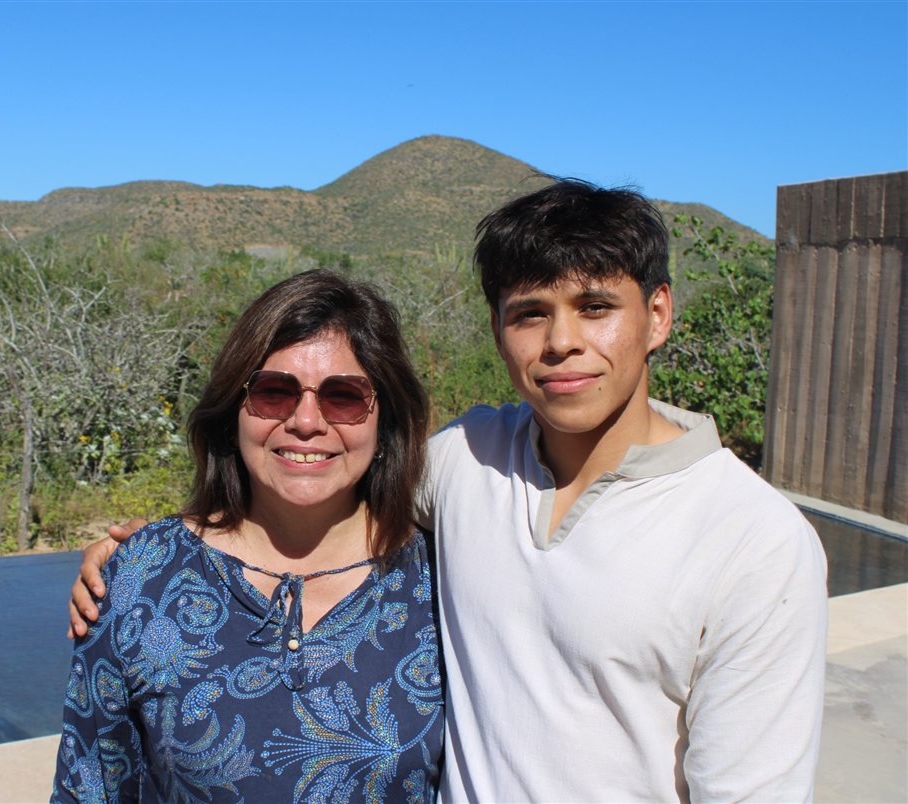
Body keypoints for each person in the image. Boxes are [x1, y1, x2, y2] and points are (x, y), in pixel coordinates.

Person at [70, 179, 828, 802]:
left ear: (657, 314)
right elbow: (311, 472)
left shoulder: (753, 541)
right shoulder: (469, 463)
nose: (561, 341)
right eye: (530, 314)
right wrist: (150, 547)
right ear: (498, 330)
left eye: (595, 307)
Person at [52, 270, 442, 802]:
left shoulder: (442, 583)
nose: (307, 422)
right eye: (274, 392)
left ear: (386, 418)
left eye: (344, 397)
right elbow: (91, 784)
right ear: (233, 409)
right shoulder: (142, 579)